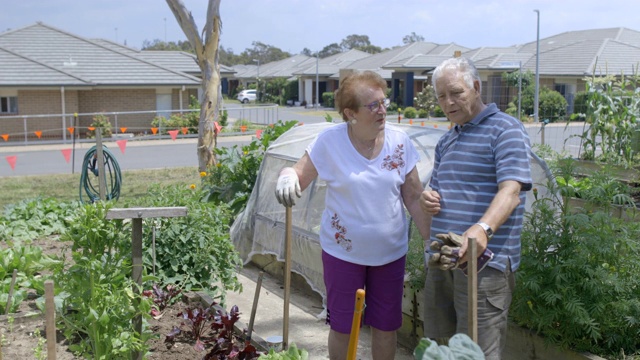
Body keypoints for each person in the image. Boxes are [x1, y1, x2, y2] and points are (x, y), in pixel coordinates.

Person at [275, 70, 430, 360]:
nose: (383, 110)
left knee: (386, 326)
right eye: (373, 105)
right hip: (342, 254)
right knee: (344, 325)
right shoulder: (330, 142)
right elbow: (298, 173)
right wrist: (286, 177)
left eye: (384, 102)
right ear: (350, 113)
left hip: (390, 254)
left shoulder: (400, 142)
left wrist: (430, 241)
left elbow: (413, 196)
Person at [420, 57, 532, 359]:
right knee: (439, 349)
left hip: (484, 266)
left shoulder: (505, 130)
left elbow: (511, 191)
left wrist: (482, 229)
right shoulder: (447, 140)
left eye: (456, 92)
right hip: (444, 261)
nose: (448, 102)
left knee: (475, 352)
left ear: (476, 87)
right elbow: (438, 188)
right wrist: (427, 197)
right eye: (442, 96)